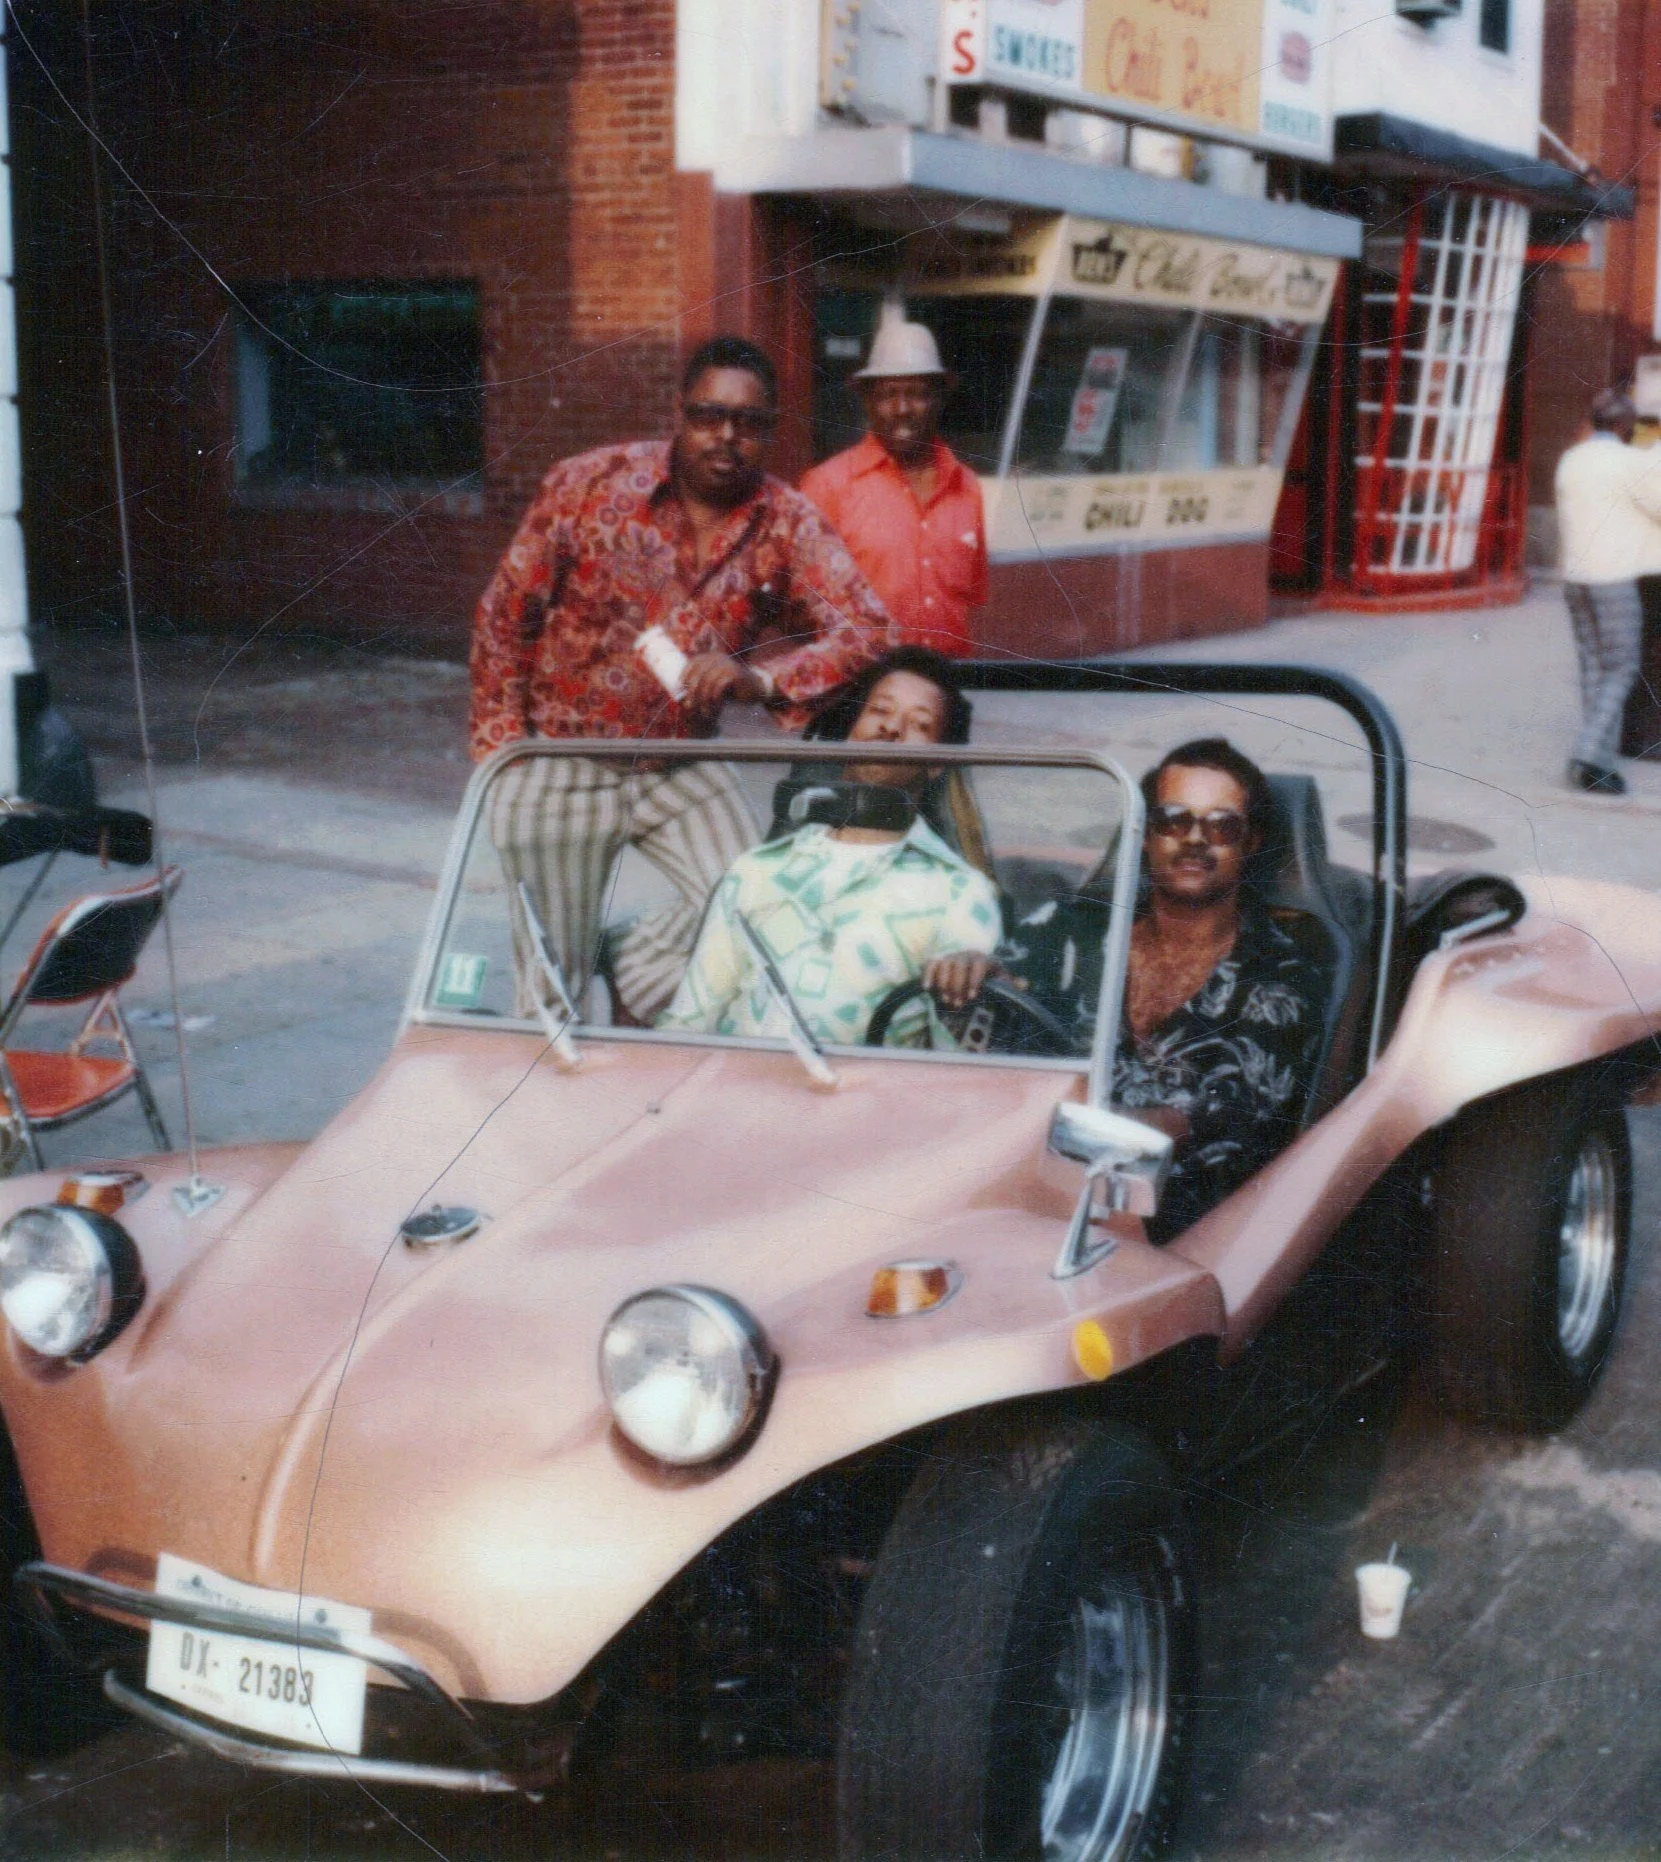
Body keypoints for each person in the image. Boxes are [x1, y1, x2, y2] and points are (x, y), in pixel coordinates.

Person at [470, 335, 898, 1022]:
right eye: (708, 415)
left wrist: (758, 680)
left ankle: (632, 955)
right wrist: (504, 753)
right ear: (679, 413)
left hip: (679, 762)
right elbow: (504, 612)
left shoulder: (785, 520)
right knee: (554, 982)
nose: (727, 437)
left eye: (750, 424)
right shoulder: (587, 483)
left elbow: (871, 629)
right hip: (561, 757)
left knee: (759, 908)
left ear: (769, 431)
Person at [949, 739, 1331, 1238]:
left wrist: (1050, 1136)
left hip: (1181, 1227)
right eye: (1175, 819)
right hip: (1025, 1192)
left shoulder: (1283, 974)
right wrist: (967, 981)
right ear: (1147, 833)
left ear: (1251, 841)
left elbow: (1205, 1116)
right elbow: (991, 1040)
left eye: (1221, 825)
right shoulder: (1067, 927)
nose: (1196, 840)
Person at [658, 651, 1000, 1046]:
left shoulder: (959, 891)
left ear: (938, 763)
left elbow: (957, 1058)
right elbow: (688, 1023)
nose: (891, 728)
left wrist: (965, 982)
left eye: (919, 724)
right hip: (735, 1092)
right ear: (852, 730)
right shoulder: (756, 870)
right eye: (879, 711)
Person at [799, 317, 987, 659]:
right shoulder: (828, 486)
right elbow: (800, 608)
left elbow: (971, 600)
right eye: (888, 395)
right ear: (868, 402)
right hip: (863, 690)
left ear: (939, 399)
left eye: (916, 394)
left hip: (946, 687)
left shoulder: (967, 488)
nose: (902, 409)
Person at [1555, 388, 1661, 795]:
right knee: (1622, 667)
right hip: (1613, 578)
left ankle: (1598, 761)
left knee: (1594, 667)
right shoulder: (1628, 461)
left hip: (1575, 578)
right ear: (1624, 425)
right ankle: (1586, 753)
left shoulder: (1572, 458)